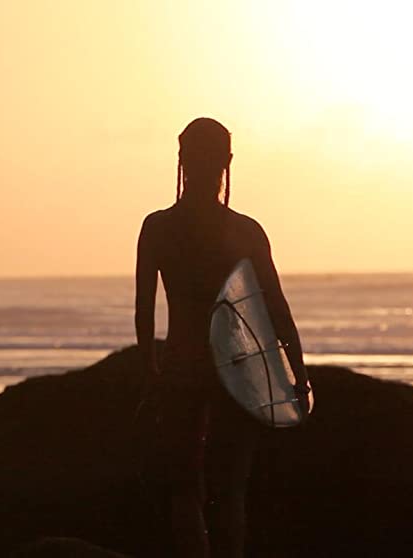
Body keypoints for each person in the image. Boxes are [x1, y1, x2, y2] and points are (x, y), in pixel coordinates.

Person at [134, 117, 310, 558]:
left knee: (184, 488)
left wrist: (149, 373)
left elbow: (143, 312)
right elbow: (276, 307)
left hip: (180, 369)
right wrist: (298, 373)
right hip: (236, 373)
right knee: (230, 490)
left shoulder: (158, 228)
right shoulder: (245, 231)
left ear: (181, 159)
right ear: (227, 160)